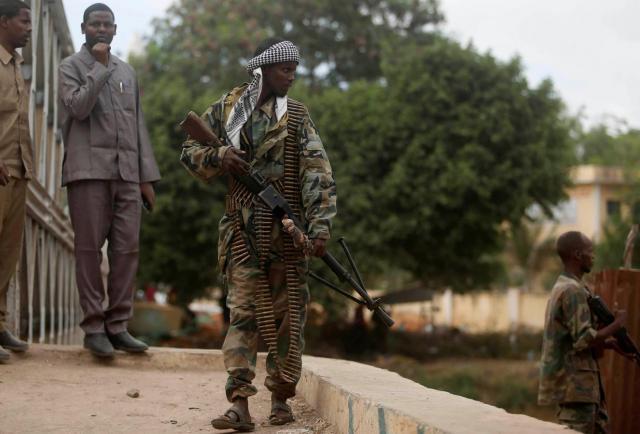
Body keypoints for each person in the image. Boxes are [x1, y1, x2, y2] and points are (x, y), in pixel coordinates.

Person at [180, 38, 336, 431]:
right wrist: (219, 156)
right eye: (285, 69)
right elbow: (189, 151)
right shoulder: (229, 109)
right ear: (264, 69)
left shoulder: (297, 117)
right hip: (242, 230)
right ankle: (239, 405)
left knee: (287, 319)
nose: (292, 77)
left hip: (286, 233)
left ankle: (281, 398)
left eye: (295, 70)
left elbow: (317, 173)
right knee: (245, 315)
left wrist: (318, 228)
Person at [58, 3, 160, 358]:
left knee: (127, 249)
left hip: (127, 174)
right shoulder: (70, 67)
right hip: (88, 172)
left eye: (107, 25)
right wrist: (98, 69)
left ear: (115, 30)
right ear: (84, 28)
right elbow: (77, 108)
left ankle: (118, 325)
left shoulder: (128, 73)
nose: (101, 30)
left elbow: (137, 125)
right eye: (95, 24)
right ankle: (93, 327)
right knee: (88, 251)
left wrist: (147, 177)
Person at [538, 231, 629, 433]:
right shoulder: (572, 290)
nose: (593, 256)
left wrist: (608, 343)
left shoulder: (572, 287)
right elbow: (582, 339)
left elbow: (573, 338)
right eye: (590, 251)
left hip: (582, 389)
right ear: (577, 255)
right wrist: (617, 324)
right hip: (575, 389)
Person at [0, 0, 32, 362]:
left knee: (7, 255)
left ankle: (0, 324)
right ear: (4, 21)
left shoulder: (17, 65)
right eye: (24, 21)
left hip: (19, 170)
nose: (29, 27)